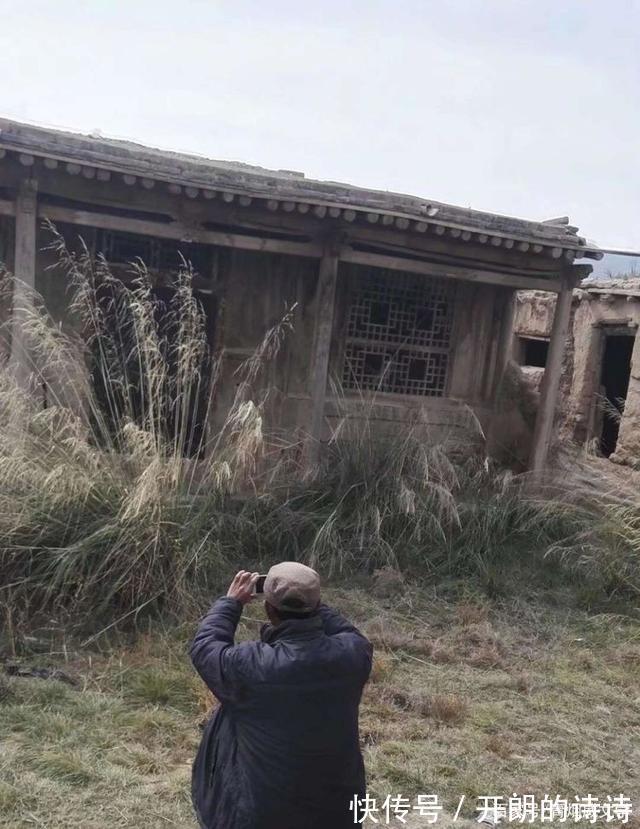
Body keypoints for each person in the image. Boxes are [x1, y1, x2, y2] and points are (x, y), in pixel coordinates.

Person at [190, 562, 373, 829]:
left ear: (269, 609)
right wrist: (308, 599)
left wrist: (231, 603)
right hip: (338, 811)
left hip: (263, 813)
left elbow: (205, 646)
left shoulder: (250, 666)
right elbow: (347, 632)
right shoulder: (354, 655)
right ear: (317, 604)